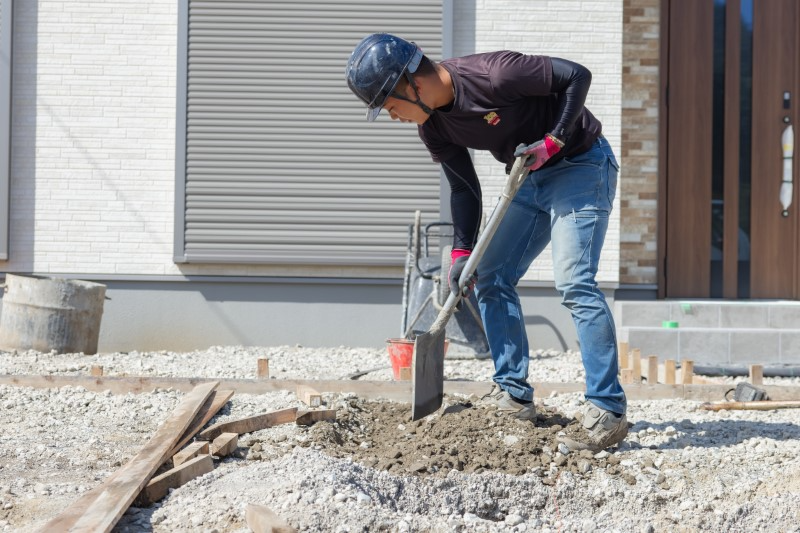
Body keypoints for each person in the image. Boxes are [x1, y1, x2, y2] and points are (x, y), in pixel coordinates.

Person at [345, 33, 627, 451]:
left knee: (574, 282)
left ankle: (608, 409)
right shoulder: (435, 128)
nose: (393, 116)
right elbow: (464, 189)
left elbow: (576, 77)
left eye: (390, 105)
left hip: (581, 165)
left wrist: (554, 140)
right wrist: (462, 252)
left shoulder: (496, 75)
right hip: (529, 176)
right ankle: (512, 392)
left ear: (413, 85)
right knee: (491, 274)